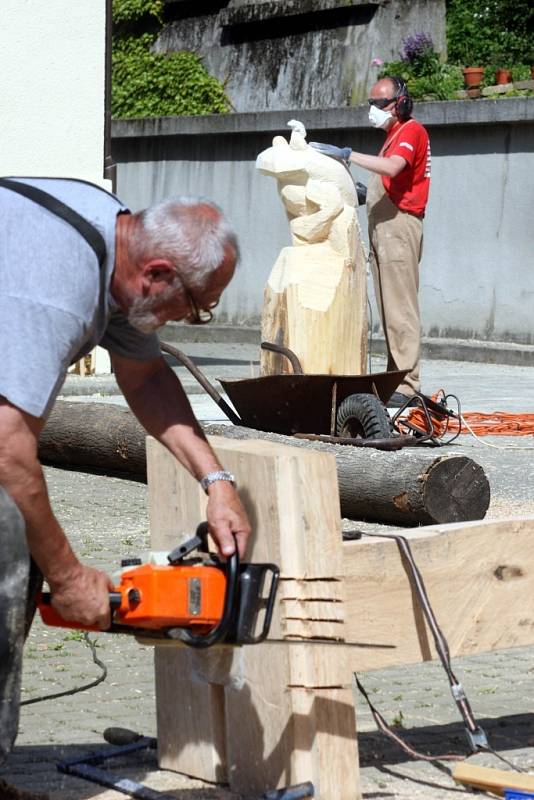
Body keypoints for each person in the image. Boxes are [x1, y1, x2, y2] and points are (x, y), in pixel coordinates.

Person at [0, 177, 251, 799]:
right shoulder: (59, 287)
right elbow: (7, 446)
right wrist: (68, 575)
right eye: (193, 306)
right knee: (9, 549)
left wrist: (215, 481)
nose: (188, 320)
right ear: (158, 274)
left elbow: (144, 375)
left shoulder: (115, 236)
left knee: (14, 546)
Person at [311, 76, 431, 406]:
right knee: (388, 306)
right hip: (384, 227)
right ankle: (398, 378)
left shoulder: (410, 131)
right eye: (370, 103)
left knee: (400, 307)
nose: (372, 110)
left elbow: (393, 168)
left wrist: (348, 155)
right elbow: (389, 180)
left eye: (379, 103)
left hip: (398, 227)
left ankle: (408, 383)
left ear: (400, 104)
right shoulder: (393, 136)